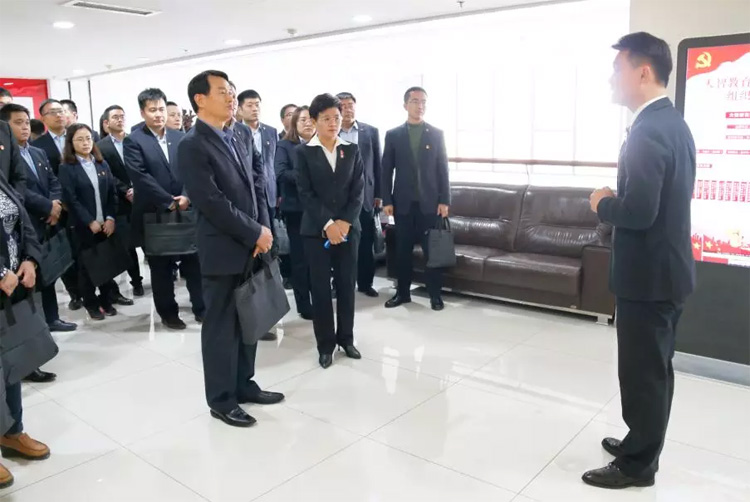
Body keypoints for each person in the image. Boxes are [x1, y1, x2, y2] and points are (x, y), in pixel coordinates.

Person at [583, 32, 697, 489]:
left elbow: (638, 212)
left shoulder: (649, 131)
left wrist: (602, 203)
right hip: (665, 272)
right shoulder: (672, 123)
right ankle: (641, 442)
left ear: (643, 72)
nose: (612, 78)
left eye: (618, 69)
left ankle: (637, 466)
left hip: (648, 278)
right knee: (654, 370)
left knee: (643, 374)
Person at [179, 69, 284, 428]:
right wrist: (254, 232)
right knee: (222, 327)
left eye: (232, 91)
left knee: (249, 319)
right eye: (222, 91)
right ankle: (222, 400)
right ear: (200, 99)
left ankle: (244, 384)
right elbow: (211, 201)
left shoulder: (237, 133)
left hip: (253, 243)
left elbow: (257, 184)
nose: (231, 98)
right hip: (223, 248)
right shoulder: (192, 145)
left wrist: (264, 230)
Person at [0, 103, 74, 386]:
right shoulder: (8, 151)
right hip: (18, 230)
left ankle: (34, 351)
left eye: (25, 122)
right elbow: (20, 190)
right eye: (17, 122)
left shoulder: (35, 151)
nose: (23, 127)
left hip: (30, 232)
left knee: (37, 288)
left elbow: (48, 181)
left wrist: (55, 205)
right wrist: (44, 206)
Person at [124, 88, 205, 329]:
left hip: (185, 210)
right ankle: (168, 313)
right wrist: (168, 200)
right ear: (142, 112)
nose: (158, 114)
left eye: (161, 109)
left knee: (194, 262)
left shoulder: (179, 137)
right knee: (162, 267)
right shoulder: (134, 140)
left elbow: (193, 169)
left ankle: (202, 308)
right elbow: (140, 176)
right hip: (155, 214)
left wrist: (187, 196)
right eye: (152, 110)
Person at [297, 93, 364, 369]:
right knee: (321, 289)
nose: (333, 123)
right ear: (314, 121)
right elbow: (305, 193)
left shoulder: (352, 149)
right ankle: (325, 345)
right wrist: (328, 225)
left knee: (347, 285)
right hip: (316, 231)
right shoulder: (303, 152)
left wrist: (345, 222)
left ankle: (346, 339)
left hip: (348, 230)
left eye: (336, 118)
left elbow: (358, 190)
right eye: (326, 119)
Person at [0, 163, 51, 490]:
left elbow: (22, 220)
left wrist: (30, 259)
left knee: (12, 362)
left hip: (11, 287)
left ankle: (11, 431)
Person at [382, 86, 450, 312]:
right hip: (403, 205)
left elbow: (443, 169)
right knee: (402, 252)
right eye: (415, 101)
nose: (420, 106)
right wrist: (387, 200)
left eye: (423, 102)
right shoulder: (393, 135)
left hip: (430, 205)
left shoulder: (436, 134)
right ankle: (402, 294)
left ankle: (435, 295)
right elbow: (386, 170)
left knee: (433, 254)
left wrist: (445, 200)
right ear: (405, 105)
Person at [58, 124, 121, 320]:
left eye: (88, 138)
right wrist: (89, 221)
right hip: (82, 227)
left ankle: (106, 301)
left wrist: (110, 218)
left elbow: (112, 194)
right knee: (86, 269)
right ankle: (91, 304)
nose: (85, 143)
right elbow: (71, 199)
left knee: (105, 265)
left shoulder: (101, 164)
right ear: (71, 143)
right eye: (80, 139)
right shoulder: (67, 168)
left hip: (105, 225)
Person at [32, 99, 82, 310]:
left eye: (61, 111)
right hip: (58, 208)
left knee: (89, 249)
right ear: (43, 118)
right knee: (65, 251)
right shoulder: (38, 146)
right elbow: (47, 180)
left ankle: (107, 291)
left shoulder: (79, 136)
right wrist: (57, 203)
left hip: (84, 203)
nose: (59, 115)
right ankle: (75, 293)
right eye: (52, 112)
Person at [337, 92, 382, 297]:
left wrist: (379, 194)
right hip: (340, 198)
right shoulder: (332, 131)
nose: (347, 109)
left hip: (366, 196)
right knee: (340, 244)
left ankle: (365, 283)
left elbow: (378, 165)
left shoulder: (370, 131)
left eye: (350, 105)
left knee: (365, 242)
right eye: (343, 106)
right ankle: (338, 284)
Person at [97, 105, 144, 297]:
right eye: (115, 117)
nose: (120, 120)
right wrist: (126, 191)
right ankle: (136, 281)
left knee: (149, 239)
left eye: (122, 116)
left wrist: (139, 188)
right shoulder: (101, 146)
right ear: (106, 123)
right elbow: (107, 174)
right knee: (128, 244)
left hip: (144, 197)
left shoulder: (136, 140)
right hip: (121, 202)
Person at [275, 105, 315, 320]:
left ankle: (319, 297)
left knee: (318, 259)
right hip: (297, 210)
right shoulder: (285, 145)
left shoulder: (323, 143)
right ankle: (303, 303)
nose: (308, 123)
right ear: (294, 124)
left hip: (320, 211)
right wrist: (309, 175)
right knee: (300, 259)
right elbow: (281, 173)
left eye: (311, 119)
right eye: (302, 120)